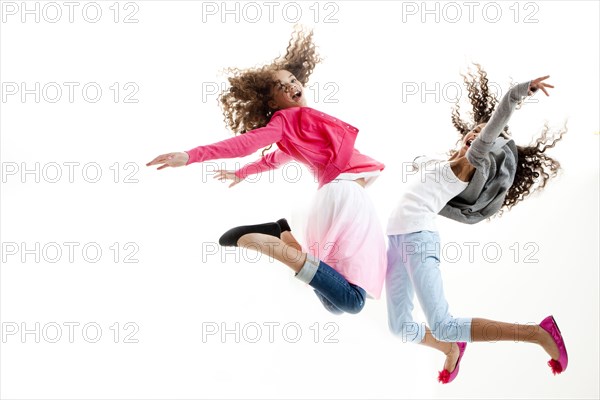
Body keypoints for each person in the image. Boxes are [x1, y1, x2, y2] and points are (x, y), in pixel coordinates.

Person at [146, 28, 386, 315]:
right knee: (353, 300)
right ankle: (272, 245)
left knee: (336, 303)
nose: (292, 85)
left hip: (337, 196)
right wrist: (190, 156)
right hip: (343, 194)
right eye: (281, 86)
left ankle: (283, 234)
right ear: (272, 103)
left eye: (293, 80)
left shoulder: (298, 130)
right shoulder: (286, 120)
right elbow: (245, 143)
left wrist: (243, 173)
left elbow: (275, 159)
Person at [385, 66, 568, 384]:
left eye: (486, 134)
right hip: (396, 239)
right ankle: (449, 347)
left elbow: (499, 118)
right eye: (473, 131)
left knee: (442, 322)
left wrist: (519, 92)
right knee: (399, 326)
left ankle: (539, 333)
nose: (477, 135)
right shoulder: (449, 164)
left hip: (417, 240)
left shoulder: (473, 161)